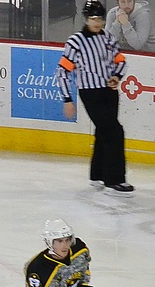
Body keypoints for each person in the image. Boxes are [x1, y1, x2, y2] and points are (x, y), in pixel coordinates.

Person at [56, 0, 134, 197]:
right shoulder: (76, 42)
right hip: (90, 93)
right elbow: (63, 71)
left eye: (99, 18)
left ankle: (97, 174)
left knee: (104, 131)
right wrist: (67, 99)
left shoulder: (108, 37)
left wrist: (117, 76)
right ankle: (114, 179)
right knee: (114, 131)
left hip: (109, 91)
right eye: (92, 18)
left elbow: (121, 60)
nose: (96, 22)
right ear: (86, 19)